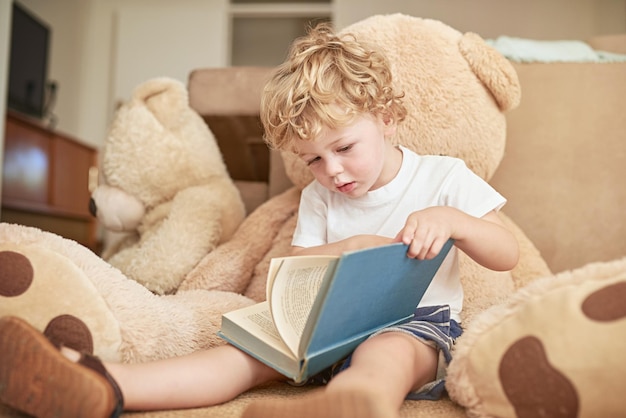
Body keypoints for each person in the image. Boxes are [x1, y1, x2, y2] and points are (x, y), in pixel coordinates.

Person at [0, 23, 519, 418]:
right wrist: (352, 245)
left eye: (343, 148)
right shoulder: (320, 196)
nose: (331, 171)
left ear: (386, 118)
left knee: (389, 352)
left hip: (417, 328)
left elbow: (505, 253)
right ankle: (101, 384)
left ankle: (352, 403)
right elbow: (296, 263)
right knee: (238, 356)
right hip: (327, 324)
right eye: (313, 159)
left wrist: (455, 220)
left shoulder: (444, 177)